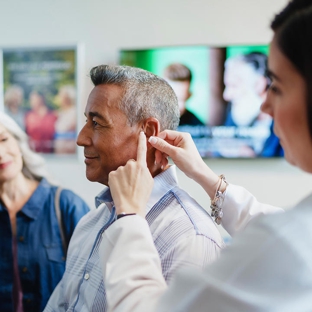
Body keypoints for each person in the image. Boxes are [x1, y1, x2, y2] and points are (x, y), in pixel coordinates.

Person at [98, 0, 312, 310]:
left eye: (276, 86)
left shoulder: (281, 244)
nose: (267, 106)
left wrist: (129, 216)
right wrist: (206, 177)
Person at [45, 64, 227, 311]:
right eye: (87, 121)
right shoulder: (92, 221)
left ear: (148, 132)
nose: (81, 138)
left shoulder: (190, 237)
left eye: (97, 123)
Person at [0, 112, 90, 312]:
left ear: (18, 143)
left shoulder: (66, 205)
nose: (0, 152)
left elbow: (94, 285)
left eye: (4, 139)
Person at [54, 85, 77, 154]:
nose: (60, 99)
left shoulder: (74, 112)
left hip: (69, 151)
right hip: (59, 151)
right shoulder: (60, 113)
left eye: (61, 96)